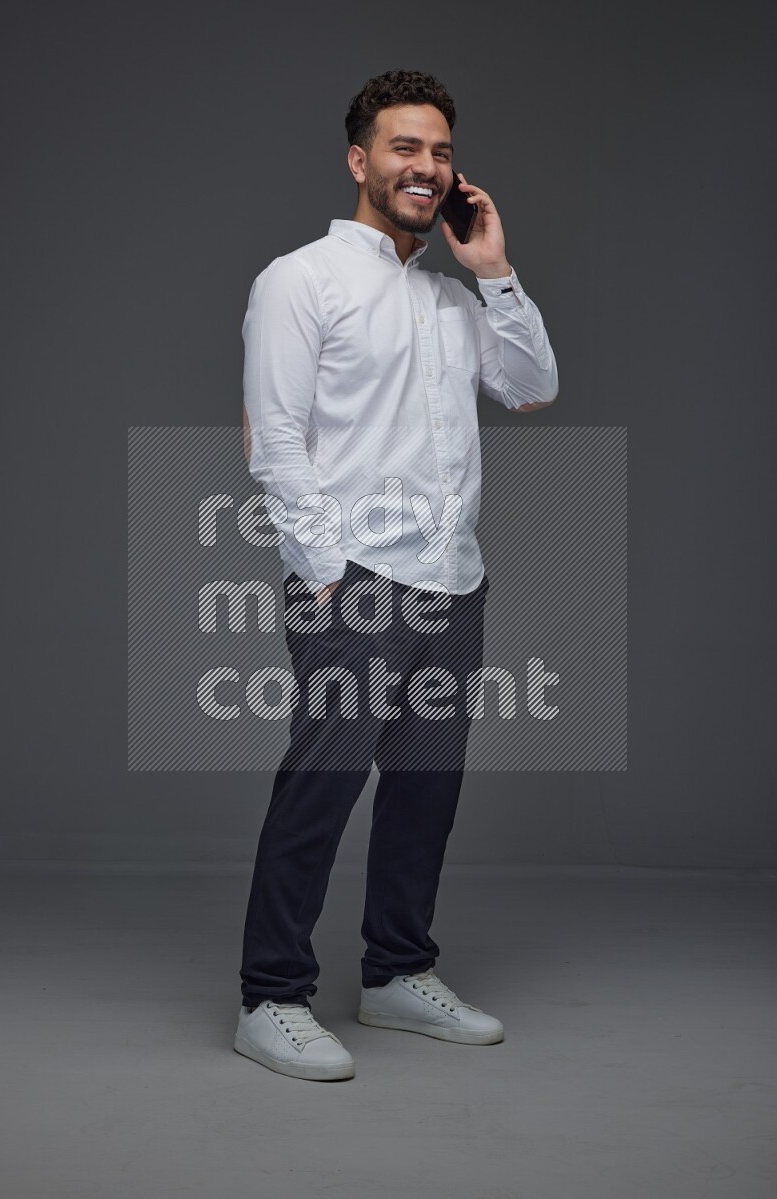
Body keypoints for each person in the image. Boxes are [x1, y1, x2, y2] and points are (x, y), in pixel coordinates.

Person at [234, 68, 559, 1081]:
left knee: (425, 791)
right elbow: (273, 439)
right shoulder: (301, 280)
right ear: (359, 160)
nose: (426, 167)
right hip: (356, 581)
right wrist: (324, 573)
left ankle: (396, 973)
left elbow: (532, 387)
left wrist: (494, 270)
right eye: (404, 147)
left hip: (452, 581)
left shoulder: (456, 300)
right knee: (321, 787)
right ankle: (271, 994)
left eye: (441, 152)